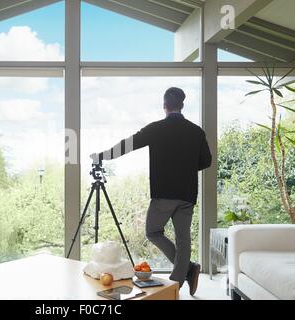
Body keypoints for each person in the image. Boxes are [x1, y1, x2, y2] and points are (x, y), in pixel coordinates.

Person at [90, 87, 212, 296]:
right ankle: (180, 279)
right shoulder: (196, 131)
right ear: (182, 106)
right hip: (187, 194)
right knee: (183, 239)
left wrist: (101, 156)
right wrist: (185, 168)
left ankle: (186, 272)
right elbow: (206, 161)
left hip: (163, 193)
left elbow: (128, 144)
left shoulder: (156, 128)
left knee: (153, 232)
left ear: (164, 106)